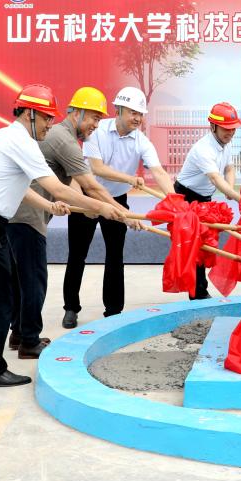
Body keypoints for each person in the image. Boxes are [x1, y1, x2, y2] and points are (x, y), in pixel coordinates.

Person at [0, 84, 132, 388]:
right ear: (29, 113)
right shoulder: (23, 143)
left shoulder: (2, 136)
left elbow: (22, 188)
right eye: (45, 118)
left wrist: (49, 206)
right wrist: (103, 208)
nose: (49, 125)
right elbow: (60, 188)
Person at [6, 86, 124, 357]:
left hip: (18, 213)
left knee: (21, 278)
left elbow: (70, 185)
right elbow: (91, 186)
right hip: (27, 217)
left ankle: (19, 332)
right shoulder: (64, 140)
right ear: (77, 113)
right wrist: (121, 213)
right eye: (94, 117)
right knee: (34, 279)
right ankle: (29, 341)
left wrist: (93, 207)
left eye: (99, 119)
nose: (96, 125)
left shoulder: (59, 137)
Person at [62, 86, 174, 328]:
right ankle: (71, 308)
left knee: (115, 254)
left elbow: (159, 172)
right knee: (77, 254)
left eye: (140, 114)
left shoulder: (142, 141)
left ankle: (113, 311)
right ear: (119, 110)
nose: (137, 118)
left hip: (117, 199)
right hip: (87, 197)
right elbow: (97, 168)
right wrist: (130, 179)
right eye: (133, 112)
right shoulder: (96, 131)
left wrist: (175, 201)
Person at [173, 102, 241, 298]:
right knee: (195, 245)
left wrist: (230, 189)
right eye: (226, 128)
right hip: (186, 197)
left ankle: (200, 290)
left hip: (204, 198)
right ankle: (197, 293)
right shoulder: (203, 149)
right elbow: (214, 177)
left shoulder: (226, 144)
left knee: (205, 244)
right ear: (213, 126)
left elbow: (229, 168)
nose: (230, 132)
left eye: (233, 128)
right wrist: (240, 198)